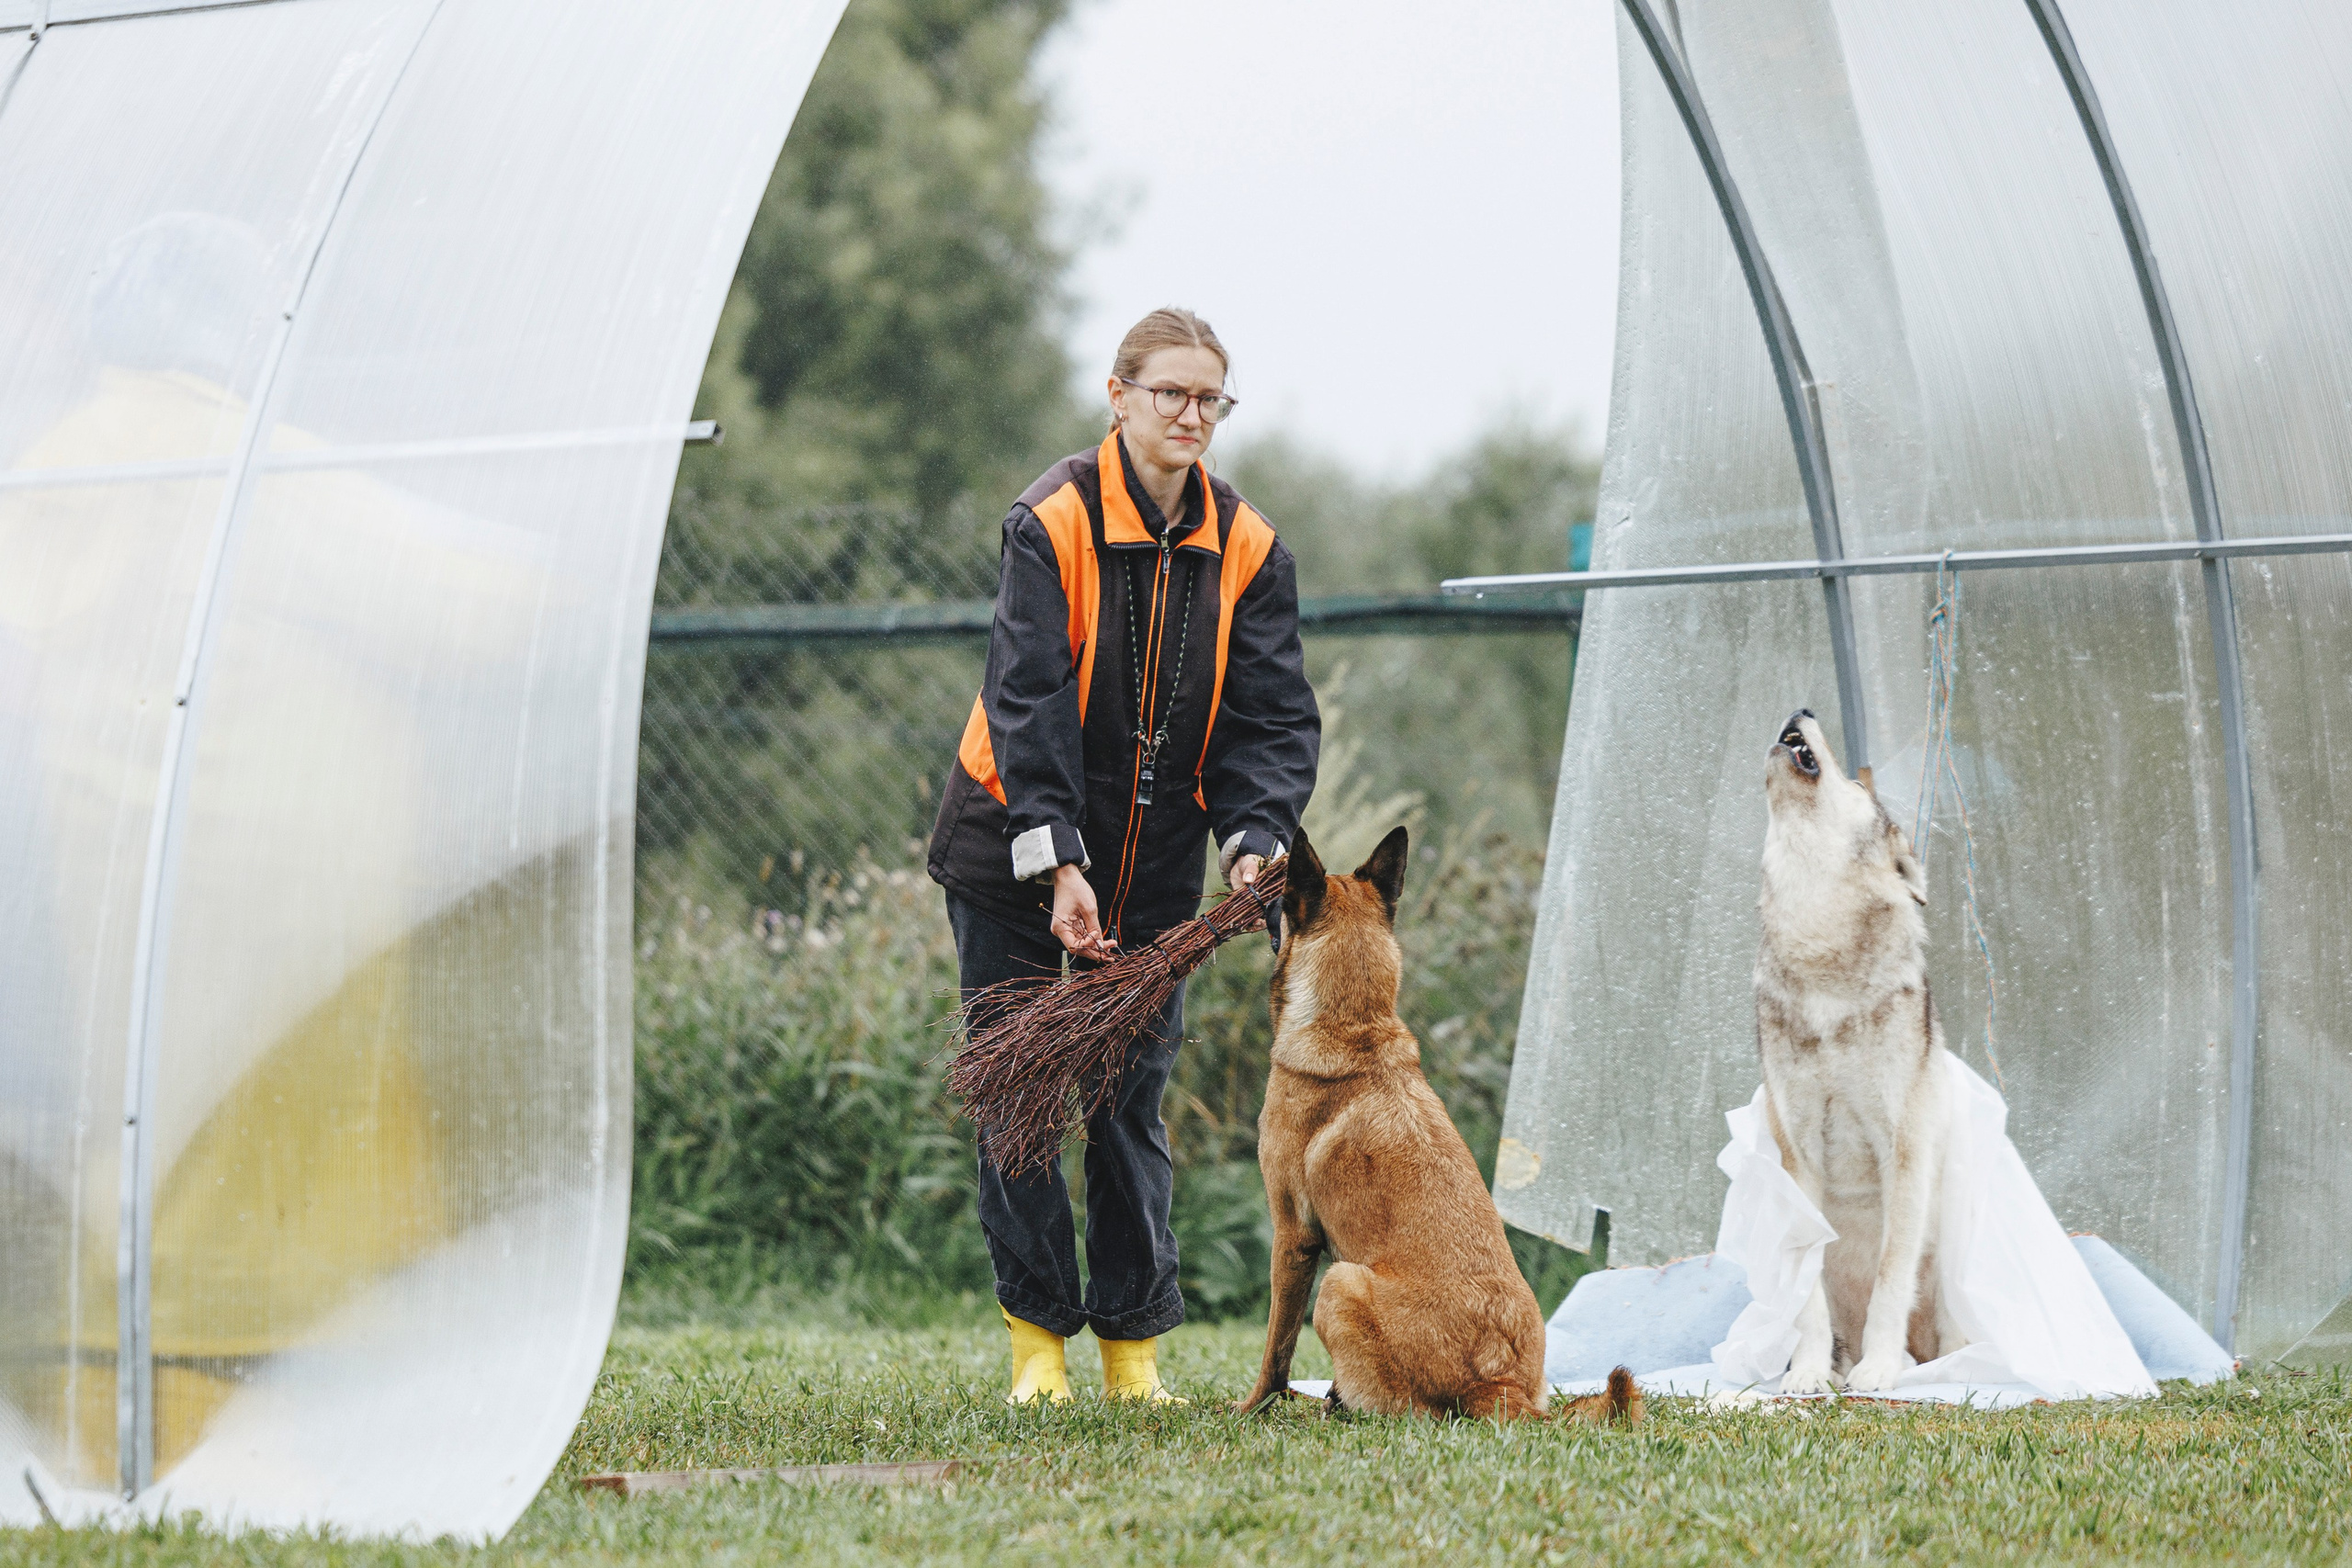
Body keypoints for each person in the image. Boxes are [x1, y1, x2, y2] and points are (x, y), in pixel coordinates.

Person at [927, 307, 1319, 1404]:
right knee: (1019, 1098)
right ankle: (1036, 1351)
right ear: (1119, 395)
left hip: (1154, 867)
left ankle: (1133, 1356)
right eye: (1171, 395)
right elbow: (1029, 699)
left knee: (1129, 1104)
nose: (1192, 416)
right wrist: (1057, 865)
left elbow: (1272, 720)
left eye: (1211, 400)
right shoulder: (1045, 523)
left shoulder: (1248, 547)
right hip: (1011, 842)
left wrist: (1254, 836)